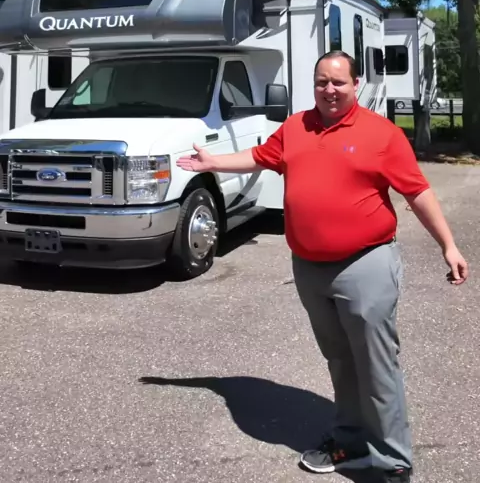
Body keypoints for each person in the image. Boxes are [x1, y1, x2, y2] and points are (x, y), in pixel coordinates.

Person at [176, 51, 468, 482]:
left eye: (338, 82)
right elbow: (260, 156)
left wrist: (449, 245)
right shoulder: (297, 127)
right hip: (311, 268)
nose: (329, 90)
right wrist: (213, 162)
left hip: (365, 263)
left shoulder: (382, 134)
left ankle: (393, 461)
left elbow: (417, 192)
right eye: (321, 82)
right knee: (340, 359)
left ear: (356, 84)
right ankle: (350, 441)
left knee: (376, 363)